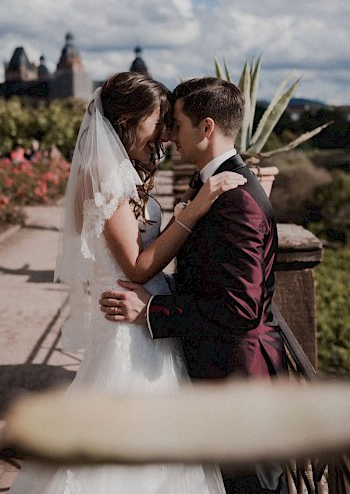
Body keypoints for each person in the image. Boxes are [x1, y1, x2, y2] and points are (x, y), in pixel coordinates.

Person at [8, 71, 245, 494]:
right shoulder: (104, 172)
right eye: (158, 122)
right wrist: (191, 212)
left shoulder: (121, 170)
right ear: (129, 121)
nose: (166, 134)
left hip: (141, 319)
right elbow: (136, 266)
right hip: (127, 324)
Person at [101, 77, 286, 494]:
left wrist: (152, 310)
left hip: (238, 379)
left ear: (206, 128)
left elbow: (242, 310)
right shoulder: (213, 185)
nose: (169, 134)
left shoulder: (236, 198)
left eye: (177, 123)